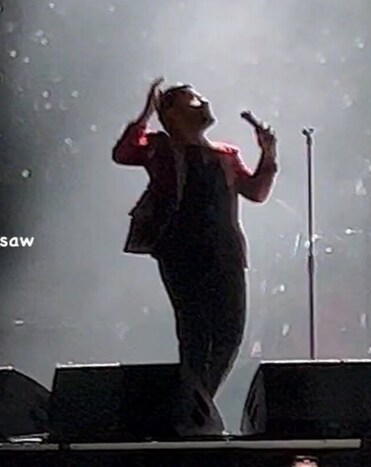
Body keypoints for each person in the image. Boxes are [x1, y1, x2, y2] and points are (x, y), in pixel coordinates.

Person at [112, 77, 278, 398]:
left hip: (225, 252)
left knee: (230, 334)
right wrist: (147, 113)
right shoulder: (160, 148)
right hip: (181, 249)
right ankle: (194, 406)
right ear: (172, 114)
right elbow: (123, 153)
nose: (204, 103)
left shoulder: (225, 155)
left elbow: (257, 192)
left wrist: (268, 154)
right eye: (193, 100)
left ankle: (196, 404)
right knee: (196, 334)